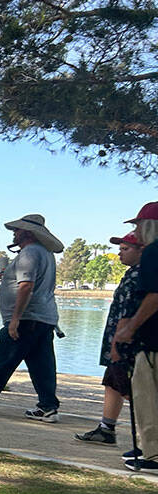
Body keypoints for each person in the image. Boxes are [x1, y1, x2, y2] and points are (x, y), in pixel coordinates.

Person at [0, 214, 63, 421]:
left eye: (17, 230)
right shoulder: (46, 253)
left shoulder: (30, 252)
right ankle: (48, 406)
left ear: (28, 233)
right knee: (42, 364)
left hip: (27, 319)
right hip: (44, 318)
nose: (14, 233)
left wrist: (15, 319)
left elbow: (26, 286)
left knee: (3, 358)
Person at [75, 231, 143, 457]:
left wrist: (117, 344)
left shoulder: (139, 276)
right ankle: (107, 428)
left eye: (126, 249)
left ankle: (146, 440)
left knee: (132, 388)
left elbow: (128, 312)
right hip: (117, 339)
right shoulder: (131, 274)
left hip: (126, 342)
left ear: (141, 250)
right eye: (120, 248)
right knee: (113, 383)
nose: (120, 253)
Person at [112, 202, 158, 472]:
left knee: (147, 396)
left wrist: (130, 328)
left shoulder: (153, 253)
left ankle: (153, 454)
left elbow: (154, 295)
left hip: (151, 340)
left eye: (139, 224)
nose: (136, 230)